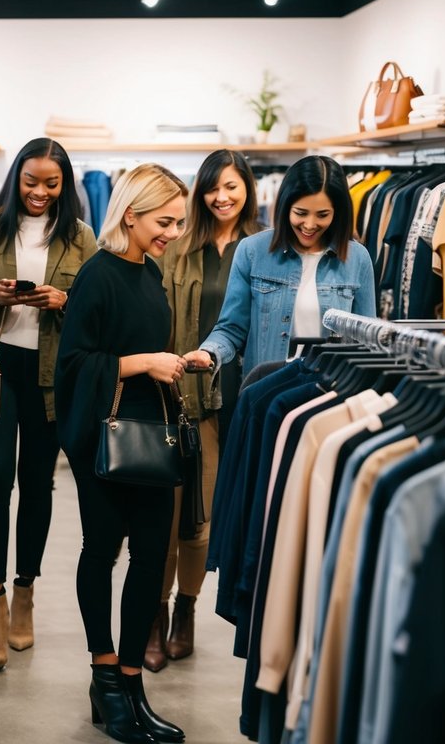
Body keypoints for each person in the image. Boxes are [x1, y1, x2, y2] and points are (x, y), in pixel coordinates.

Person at [55, 163, 191, 744]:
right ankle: (105, 677)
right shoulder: (97, 275)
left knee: (150, 556)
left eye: (180, 222)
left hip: (150, 438)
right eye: (165, 221)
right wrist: (143, 363)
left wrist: (177, 362)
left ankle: (132, 683)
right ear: (130, 214)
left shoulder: (150, 271)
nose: (173, 232)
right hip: (105, 440)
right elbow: (74, 364)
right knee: (103, 551)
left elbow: (140, 342)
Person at [0, 137, 97, 674]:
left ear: (65, 185)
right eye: (31, 181)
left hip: (51, 376)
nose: (40, 192)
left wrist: (64, 300)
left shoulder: (81, 237)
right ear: (16, 178)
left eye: (51, 183)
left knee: (38, 483)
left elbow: (92, 309)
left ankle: (24, 594)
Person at [148, 150, 264, 671]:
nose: (222, 197)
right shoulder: (177, 246)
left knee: (201, 515)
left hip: (235, 398)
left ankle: (185, 609)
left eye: (232, 187)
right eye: (214, 187)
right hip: (177, 395)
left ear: (248, 191)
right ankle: (154, 609)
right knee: (164, 513)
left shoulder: (265, 247)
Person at [185, 155, 377, 376]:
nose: (309, 225)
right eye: (300, 213)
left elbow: (367, 340)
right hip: (265, 391)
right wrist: (209, 353)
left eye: (323, 215)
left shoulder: (357, 258)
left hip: (330, 391)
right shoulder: (252, 251)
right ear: (285, 207)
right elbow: (232, 328)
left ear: (338, 213)